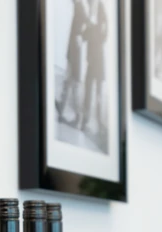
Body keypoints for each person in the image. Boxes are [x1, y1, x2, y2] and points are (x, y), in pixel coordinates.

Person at [56, 0, 88, 126]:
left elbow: (87, 24)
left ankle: (77, 115)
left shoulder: (80, 8)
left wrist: (81, 36)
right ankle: (62, 108)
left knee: (73, 83)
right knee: (69, 82)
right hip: (72, 52)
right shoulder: (78, 7)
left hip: (74, 53)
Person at [79, 0, 107, 136]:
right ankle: (85, 121)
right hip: (91, 61)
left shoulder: (101, 9)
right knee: (89, 90)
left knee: (98, 93)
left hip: (98, 61)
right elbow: (85, 34)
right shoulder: (91, 13)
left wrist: (93, 28)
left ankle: (99, 122)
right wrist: (86, 29)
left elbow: (104, 34)